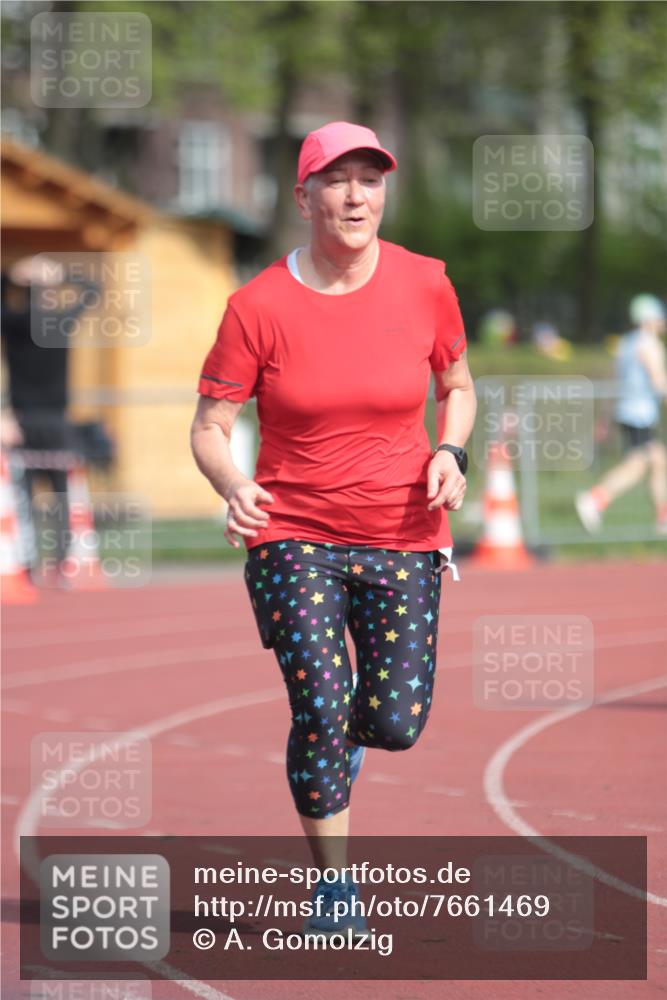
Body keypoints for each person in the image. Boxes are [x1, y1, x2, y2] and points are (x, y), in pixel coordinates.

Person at [190, 121, 477, 935]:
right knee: (319, 702)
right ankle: (334, 886)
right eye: (337, 179)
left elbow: (456, 383)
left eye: (370, 180)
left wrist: (450, 451)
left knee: (393, 724)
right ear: (304, 195)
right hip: (294, 535)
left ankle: (342, 745)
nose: (356, 196)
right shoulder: (257, 306)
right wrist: (234, 484)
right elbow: (210, 426)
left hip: (402, 533)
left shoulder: (425, 284)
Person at [1, 255, 98, 584]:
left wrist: (15, 275)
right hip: (53, 422)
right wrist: (62, 273)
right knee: (59, 499)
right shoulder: (60, 320)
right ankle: (59, 566)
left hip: (24, 421)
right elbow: (92, 290)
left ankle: (29, 566)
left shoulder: (11, 323)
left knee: (25, 497)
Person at [575, 294, 667, 535]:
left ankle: (662, 516)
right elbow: (658, 382)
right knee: (638, 465)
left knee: (657, 460)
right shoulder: (649, 344)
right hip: (641, 413)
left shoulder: (625, 343)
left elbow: (613, 382)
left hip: (627, 411)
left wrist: (605, 417)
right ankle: (595, 499)